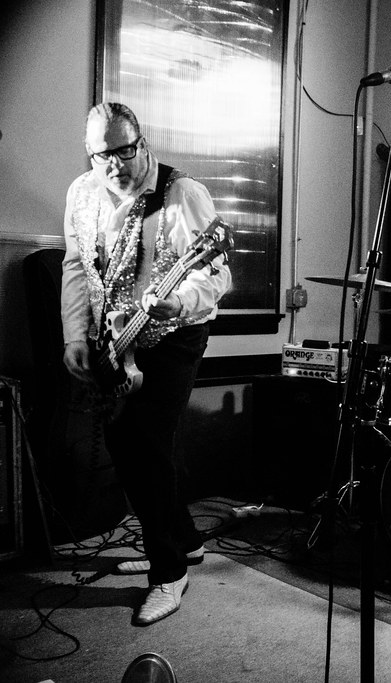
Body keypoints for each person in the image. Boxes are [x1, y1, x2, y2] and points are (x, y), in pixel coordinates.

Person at [61, 102, 232, 626]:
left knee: (147, 445)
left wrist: (177, 302)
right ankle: (185, 541)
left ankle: (168, 572)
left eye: (123, 150)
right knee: (125, 445)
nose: (114, 164)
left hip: (176, 332)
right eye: (101, 154)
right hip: (116, 336)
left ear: (143, 143)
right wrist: (75, 336)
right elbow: (76, 265)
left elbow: (216, 275)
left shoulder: (182, 194)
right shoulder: (81, 193)